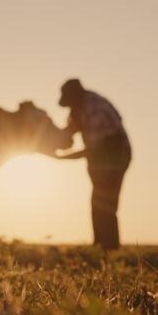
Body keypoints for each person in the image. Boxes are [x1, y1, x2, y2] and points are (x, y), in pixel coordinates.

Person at [54, 79, 131, 250]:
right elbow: (68, 131)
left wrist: (61, 157)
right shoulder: (79, 108)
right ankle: (99, 246)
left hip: (114, 157)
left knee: (105, 203)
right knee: (97, 201)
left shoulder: (96, 109)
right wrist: (51, 142)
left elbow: (92, 150)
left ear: (75, 97)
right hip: (99, 159)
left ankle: (109, 248)